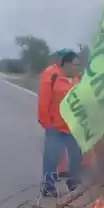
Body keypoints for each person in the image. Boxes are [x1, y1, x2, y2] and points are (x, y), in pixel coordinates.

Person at [38, 50, 83, 196]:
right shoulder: (52, 75)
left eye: (79, 65)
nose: (78, 68)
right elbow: (44, 101)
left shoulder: (77, 78)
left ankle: (73, 182)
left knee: (76, 155)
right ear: (67, 64)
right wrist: (47, 124)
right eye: (75, 65)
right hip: (55, 126)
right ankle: (48, 186)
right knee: (52, 157)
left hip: (72, 127)